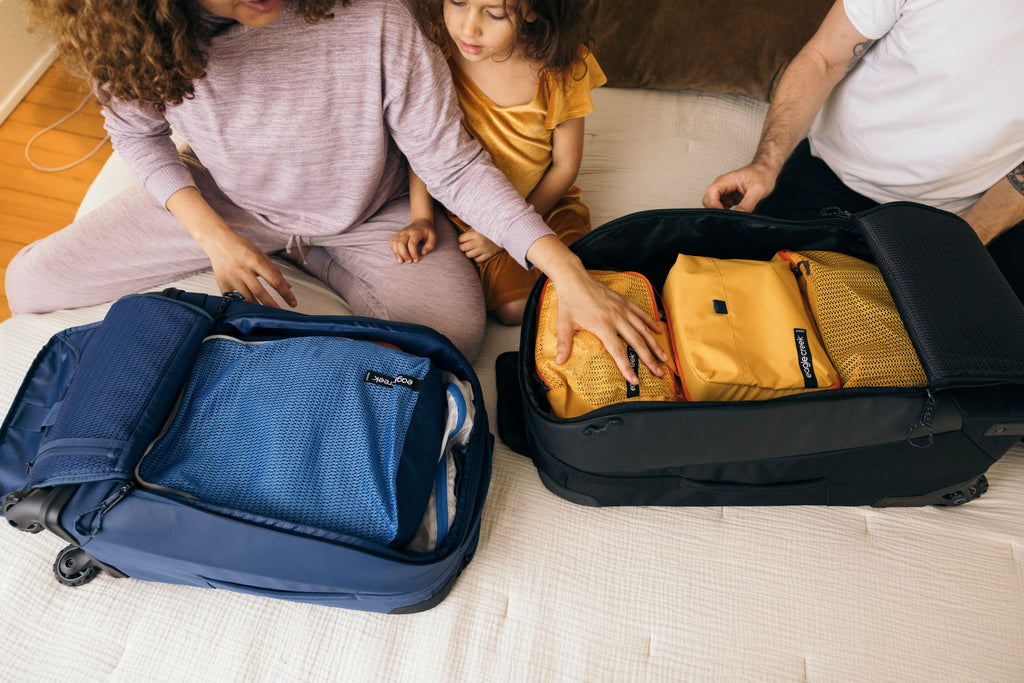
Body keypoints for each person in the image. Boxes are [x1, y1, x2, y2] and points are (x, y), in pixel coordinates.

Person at [8, 0, 666, 382]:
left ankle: (314, 253)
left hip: (368, 210)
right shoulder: (141, 36)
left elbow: (453, 163)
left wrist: (563, 265)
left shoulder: (378, 14)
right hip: (229, 205)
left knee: (453, 336)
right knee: (30, 283)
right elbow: (137, 135)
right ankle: (291, 248)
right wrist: (216, 239)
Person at [702, 0, 1024, 299]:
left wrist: (968, 238)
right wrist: (766, 164)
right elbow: (824, 59)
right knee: (748, 300)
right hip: (834, 180)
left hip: (963, 218)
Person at [388, 0, 604, 326]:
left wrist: (506, 233)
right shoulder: (439, 51)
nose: (468, 27)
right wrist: (421, 218)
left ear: (532, 10)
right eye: (458, 2)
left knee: (592, 277)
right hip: (473, 217)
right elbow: (426, 147)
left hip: (545, 206)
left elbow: (564, 167)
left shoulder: (562, 67)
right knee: (513, 309)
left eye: (494, 14)